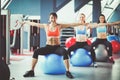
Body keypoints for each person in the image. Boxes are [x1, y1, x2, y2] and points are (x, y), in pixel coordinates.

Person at [21, 12, 86, 79]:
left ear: (56, 18)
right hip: (48, 47)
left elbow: (71, 24)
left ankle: (67, 71)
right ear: (49, 18)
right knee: (36, 52)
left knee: (65, 52)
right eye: (52, 17)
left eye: (54, 17)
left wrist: (81, 23)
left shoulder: (59, 26)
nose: (53, 19)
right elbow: (35, 24)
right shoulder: (46, 26)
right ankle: (31, 71)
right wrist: (25, 22)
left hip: (57, 47)